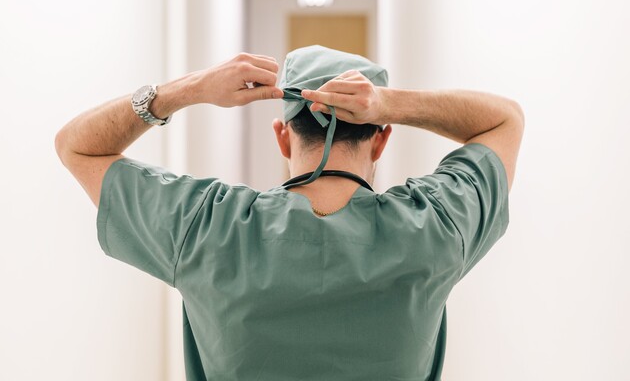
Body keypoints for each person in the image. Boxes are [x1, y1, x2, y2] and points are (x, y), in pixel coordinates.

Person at [55, 45, 524, 381]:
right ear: (381, 140)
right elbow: (504, 121)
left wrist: (188, 89)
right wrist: (390, 104)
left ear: (282, 137)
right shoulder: (435, 226)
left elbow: (77, 146)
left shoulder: (204, 225)